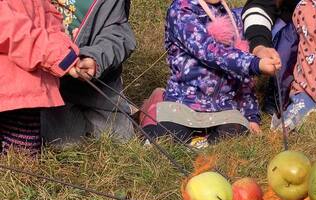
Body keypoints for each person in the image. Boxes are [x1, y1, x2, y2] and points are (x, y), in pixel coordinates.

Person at [140, 0, 278, 148]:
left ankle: (198, 144)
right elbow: (211, 52)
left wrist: (251, 116)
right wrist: (254, 64)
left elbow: (242, 78)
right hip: (184, 103)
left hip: (223, 107)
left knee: (237, 133)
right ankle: (153, 113)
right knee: (167, 138)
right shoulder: (181, 10)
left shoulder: (232, 17)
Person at [41, 0, 137, 148]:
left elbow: (118, 34)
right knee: (63, 142)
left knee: (120, 140)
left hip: (98, 83)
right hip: (53, 84)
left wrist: (95, 59)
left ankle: (140, 107)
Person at [0, 0, 79, 155]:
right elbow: (9, 28)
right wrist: (56, 55)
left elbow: (51, 20)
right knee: (20, 163)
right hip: (10, 89)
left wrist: (68, 54)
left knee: (24, 159)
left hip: (27, 93)